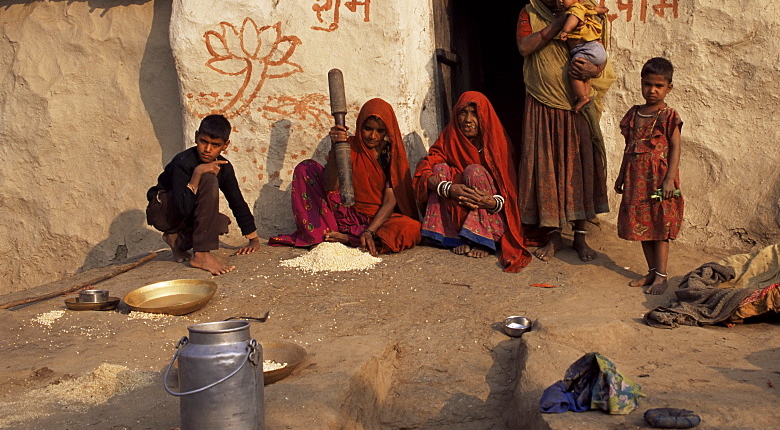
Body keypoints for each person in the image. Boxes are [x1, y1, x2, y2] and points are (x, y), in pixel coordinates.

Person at [516, 0, 616, 262]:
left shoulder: (584, 11)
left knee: (579, 167)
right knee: (546, 168)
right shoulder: (529, 14)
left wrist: (593, 69)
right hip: (542, 102)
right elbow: (524, 47)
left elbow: (601, 50)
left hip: (576, 104)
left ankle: (581, 238)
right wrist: (555, 27)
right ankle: (553, 236)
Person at [269, 98, 420, 254]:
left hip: (375, 219)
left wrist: (370, 231)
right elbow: (330, 186)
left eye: (380, 131)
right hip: (344, 212)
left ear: (387, 131)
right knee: (305, 168)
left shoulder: (389, 154)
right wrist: (336, 148)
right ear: (360, 125)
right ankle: (321, 234)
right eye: (368, 129)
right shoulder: (348, 146)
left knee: (412, 228)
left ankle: (350, 238)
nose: (373, 136)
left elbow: (390, 201)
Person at [414, 91, 531, 272]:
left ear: (484, 116)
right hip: (459, 202)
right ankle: (454, 236)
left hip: (490, 209)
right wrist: (448, 188)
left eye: (474, 113)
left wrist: (493, 202)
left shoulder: (497, 142)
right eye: (463, 112)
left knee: (473, 171)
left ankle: (484, 238)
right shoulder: (449, 138)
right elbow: (424, 171)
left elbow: (510, 189)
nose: (468, 119)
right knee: (439, 169)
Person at [146, 114, 260, 275]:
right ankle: (201, 254)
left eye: (215, 145)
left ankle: (176, 240)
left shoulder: (224, 167)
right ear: (196, 137)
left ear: (225, 145)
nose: (208, 149)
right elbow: (181, 207)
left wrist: (253, 239)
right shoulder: (183, 162)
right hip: (164, 210)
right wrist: (197, 174)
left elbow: (237, 201)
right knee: (208, 179)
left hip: (184, 214)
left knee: (220, 223)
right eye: (203, 141)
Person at [614, 57, 683, 293]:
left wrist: (669, 180)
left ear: (669, 88)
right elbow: (629, 147)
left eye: (659, 86)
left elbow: (675, 148)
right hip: (636, 180)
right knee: (642, 225)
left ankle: (662, 276)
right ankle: (651, 271)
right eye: (647, 85)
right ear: (641, 84)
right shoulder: (634, 114)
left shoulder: (669, 115)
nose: (652, 90)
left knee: (660, 225)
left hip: (659, 180)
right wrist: (621, 175)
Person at [553, 0, 609, 113]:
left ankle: (583, 97)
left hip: (586, 48)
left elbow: (573, 19)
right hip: (595, 49)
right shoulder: (584, 7)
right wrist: (603, 10)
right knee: (583, 76)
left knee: (574, 72)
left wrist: (565, 31)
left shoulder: (575, 9)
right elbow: (596, 9)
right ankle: (585, 95)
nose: (560, 1)